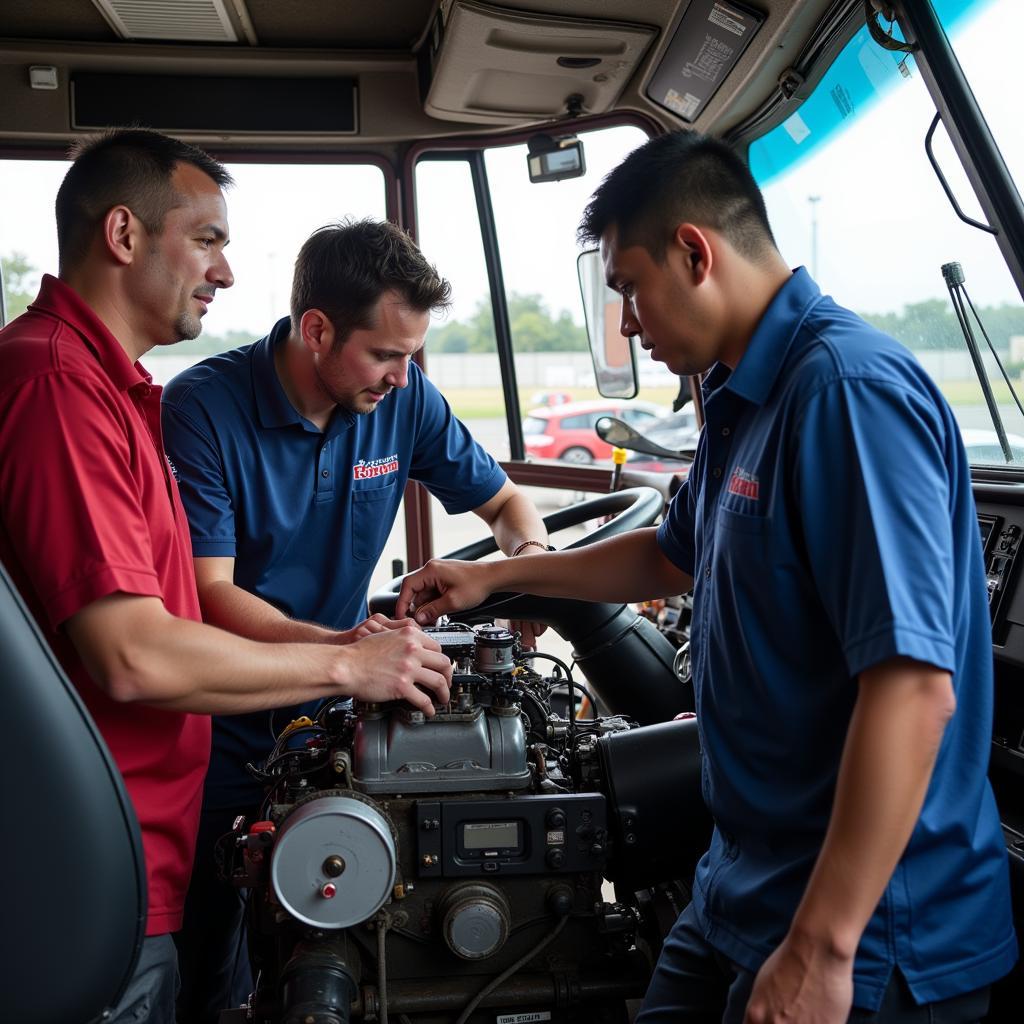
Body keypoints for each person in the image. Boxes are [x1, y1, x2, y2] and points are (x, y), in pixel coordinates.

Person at [395, 130, 1017, 1023]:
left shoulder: (845, 392)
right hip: (742, 883)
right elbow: (667, 555)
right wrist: (495, 579)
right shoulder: (739, 398)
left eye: (629, 290)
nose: (630, 323)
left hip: (868, 929)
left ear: (695, 252)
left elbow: (914, 690)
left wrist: (822, 947)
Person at [0, 129, 452, 1024]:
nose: (228, 273)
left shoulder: (116, 390)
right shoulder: (55, 385)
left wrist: (343, 646)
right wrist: (343, 665)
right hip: (100, 859)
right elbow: (133, 655)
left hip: (144, 843)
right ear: (125, 235)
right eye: (207, 240)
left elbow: (164, 611)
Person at [161, 217, 549, 1021]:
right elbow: (210, 593)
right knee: (208, 966)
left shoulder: (404, 406)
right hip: (223, 727)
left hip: (340, 718)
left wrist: (520, 578)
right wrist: (347, 649)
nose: (402, 378)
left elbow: (509, 505)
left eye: (412, 356)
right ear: (316, 329)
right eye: (384, 354)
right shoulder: (204, 406)